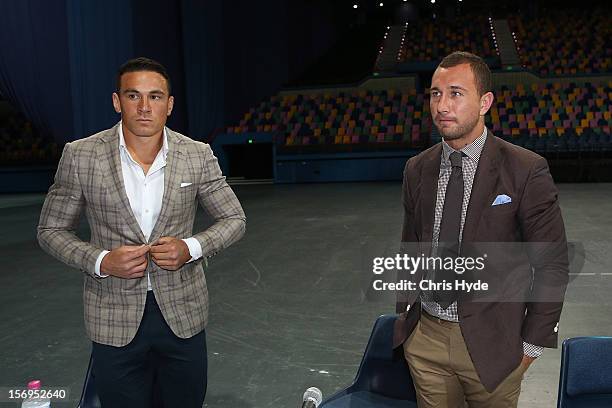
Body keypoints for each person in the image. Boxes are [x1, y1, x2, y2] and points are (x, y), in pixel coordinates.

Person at [37, 57, 246, 408]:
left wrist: (191, 247)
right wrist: (102, 260)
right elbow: (50, 229)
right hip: (111, 316)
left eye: (155, 96)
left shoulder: (197, 155)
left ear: (170, 104)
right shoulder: (81, 155)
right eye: (134, 96)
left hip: (183, 315)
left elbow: (234, 219)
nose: (145, 107)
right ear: (118, 101)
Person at [393, 51, 569, 407]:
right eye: (435, 94)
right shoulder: (417, 169)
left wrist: (530, 347)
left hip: (494, 346)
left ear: (485, 101)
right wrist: (406, 318)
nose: (442, 105)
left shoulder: (524, 169)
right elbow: (411, 246)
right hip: (426, 341)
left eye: (456, 93)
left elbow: (552, 264)